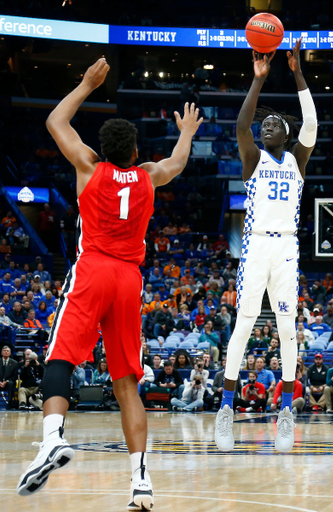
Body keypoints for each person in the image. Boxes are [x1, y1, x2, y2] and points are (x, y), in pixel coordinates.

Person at [17, 57, 203, 507]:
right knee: (126, 384)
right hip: (128, 279)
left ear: (102, 148)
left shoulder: (88, 167)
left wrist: (86, 84)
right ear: (136, 152)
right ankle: (141, 482)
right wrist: (187, 132)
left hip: (94, 269)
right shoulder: (149, 177)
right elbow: (178, 161)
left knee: (60, 355)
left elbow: (54, 121)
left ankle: (52, 440)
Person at [215, 38, 317, 453]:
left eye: (273, 124)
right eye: (264, 125)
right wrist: (257, 81)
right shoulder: (253, 159)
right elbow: (242, 126)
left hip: (287, 250)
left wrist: (296, 74)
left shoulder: (296, 160)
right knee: (244, 322)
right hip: (256, 248)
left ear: (286, 134)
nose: (265, 127)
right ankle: (225, 408)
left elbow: (312, 124)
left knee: (289, 329)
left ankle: (286, 413)